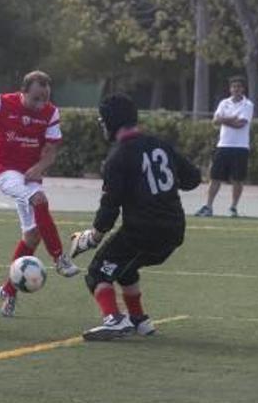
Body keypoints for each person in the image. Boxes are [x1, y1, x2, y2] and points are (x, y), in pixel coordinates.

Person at [70, 93, 201, 341]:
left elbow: (109, 208)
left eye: (102, 120)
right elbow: (193, 178)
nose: (101, 125)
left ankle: (114, 320)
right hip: (174, 229)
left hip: (143, 231)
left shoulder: (117, 157)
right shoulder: (160, 144)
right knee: (125, 268)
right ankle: (140, 320)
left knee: (98, 272)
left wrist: (91, 238)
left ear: (112, 121)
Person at [0, 71, 79, 317]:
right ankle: (59, 259)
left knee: (32, 236)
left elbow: (52, 151)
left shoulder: (51, 113)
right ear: (23, 92)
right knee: (39, 199)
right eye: (35, 98)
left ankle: (8, 292)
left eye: (45, 98)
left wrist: (40, 167)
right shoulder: (3, 102)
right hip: (6, 173)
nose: (40, 104)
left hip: (30, 175)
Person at [195, 76, 254, 218]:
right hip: (223, 146)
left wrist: (224, 119)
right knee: (215, 177)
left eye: (239, 87)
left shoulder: (248, 105)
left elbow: (241, 124)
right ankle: (208, 207)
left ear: (243, 89)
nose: (236, 90)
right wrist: (229, 119)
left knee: (237, 179)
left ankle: (233, 208)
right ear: (230, 89)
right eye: (233, 87)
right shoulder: (224, 103)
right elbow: (215, 121)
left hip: (240, 147)